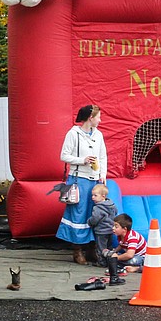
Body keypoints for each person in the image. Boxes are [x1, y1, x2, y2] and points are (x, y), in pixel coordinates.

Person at [56, 104, 107, 264]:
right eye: (98, 117)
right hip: (78, 180)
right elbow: (64, 155)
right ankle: (77, 250)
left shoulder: (98, 135)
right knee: (78, 214)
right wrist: (82, 161)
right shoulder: (74, 134)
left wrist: (102, 174)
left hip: (94, 180)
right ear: (90, 118)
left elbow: (102, 156)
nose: (100, 120)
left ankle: (92, 249)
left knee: (93, 213)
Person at [87, 184, 121, 283]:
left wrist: (89, 222)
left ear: (103, 196)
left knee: (101, 248)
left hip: (101, 231)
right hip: (110, 230)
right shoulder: (111, 205)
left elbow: (95, 219)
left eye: (95, 195)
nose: (92, 197)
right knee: (109, 247)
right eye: (92, 195)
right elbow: (116, 212)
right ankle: (111, 262)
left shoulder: (97, 208)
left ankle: (101, 262)